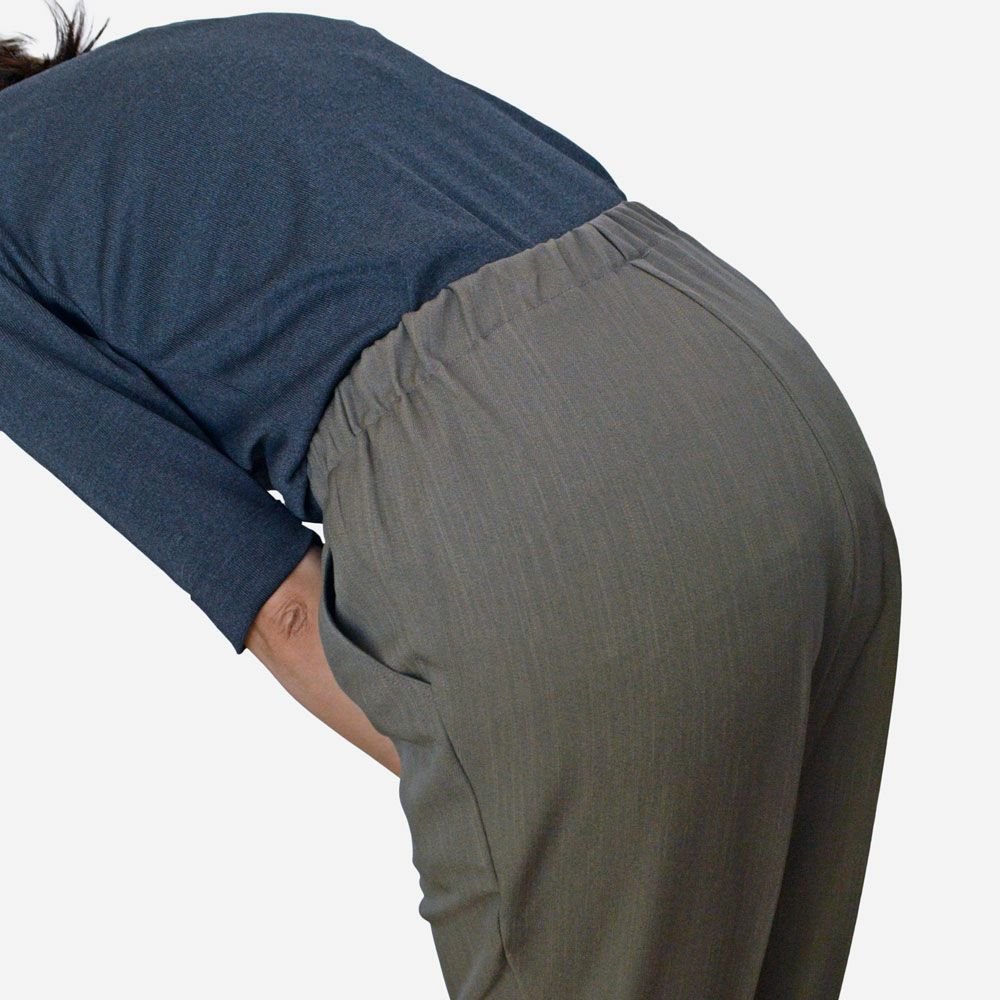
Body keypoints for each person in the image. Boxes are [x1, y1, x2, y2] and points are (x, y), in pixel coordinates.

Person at [0, 6, 901, 998]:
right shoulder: (259, 40)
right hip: (768, 397)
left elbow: (280, 602)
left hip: (547, 513)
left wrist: (501, 791)